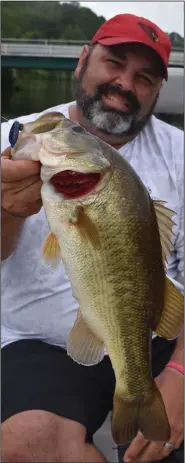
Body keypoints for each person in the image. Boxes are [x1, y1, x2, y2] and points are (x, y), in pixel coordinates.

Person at [1, 13, 184, 463]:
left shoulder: (180, 154)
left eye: (144, 77)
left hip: (157, 337)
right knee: (26, 446)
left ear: (158, 90)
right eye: (114, 63)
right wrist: (5, 212)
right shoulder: (18, 140)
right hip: (42, 344)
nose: (124, 83)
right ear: (83, 60)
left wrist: (180, 375)